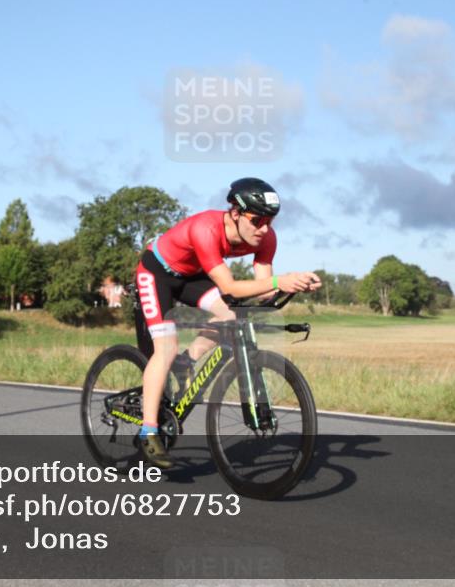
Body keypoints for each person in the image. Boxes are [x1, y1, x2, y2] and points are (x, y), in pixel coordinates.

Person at [133, 178, 322, 468]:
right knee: (165, 349)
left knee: (230, 316)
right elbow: (230, 287)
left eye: (270, 221)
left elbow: (264, 289)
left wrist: (291, 285)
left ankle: (188, 360)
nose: (263, 229)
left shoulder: (266, 238)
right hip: (157, 272)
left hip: (191, 276)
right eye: (256, 220)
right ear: (235, 212)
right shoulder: (206, 228)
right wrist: (278, 280)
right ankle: (148, 431)